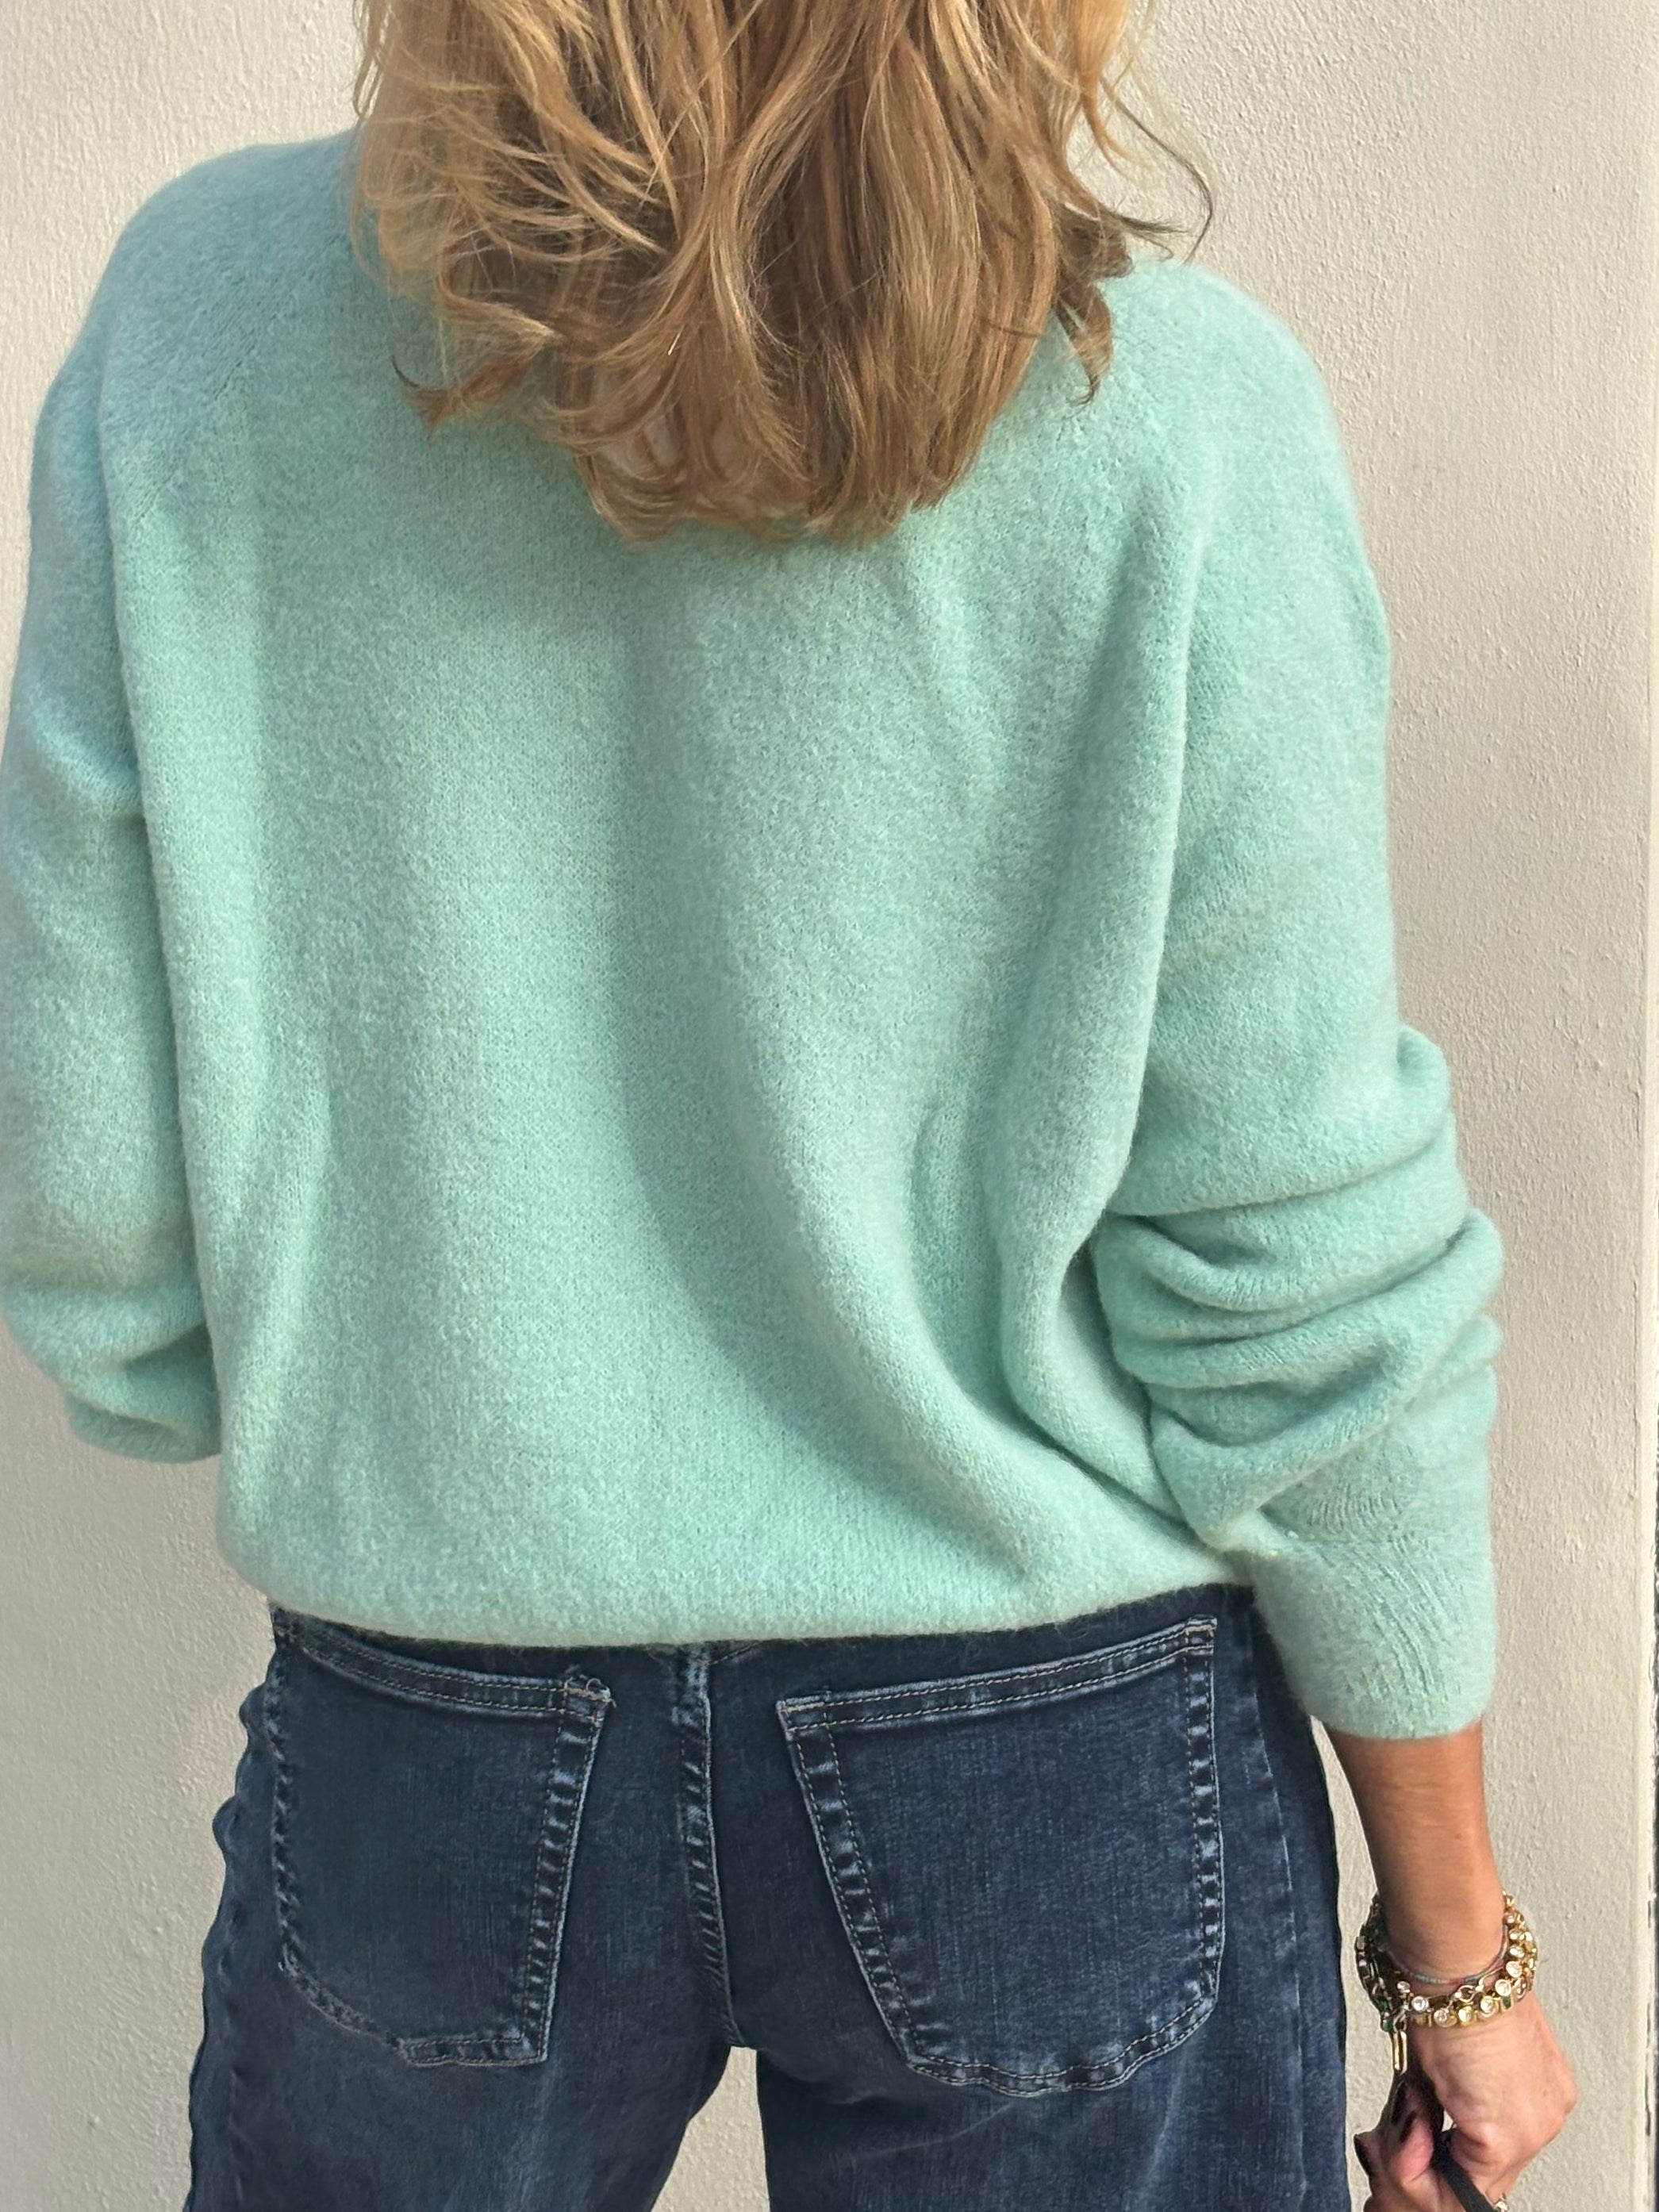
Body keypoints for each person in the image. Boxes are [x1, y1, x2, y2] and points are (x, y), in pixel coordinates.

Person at [0, 3, 1576, 2208]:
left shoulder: (202, 319)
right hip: (1051, 1725)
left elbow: (81, 1155)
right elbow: (1295, 1241)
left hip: (439, 1710)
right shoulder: (1174, 413)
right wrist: (1459, 1952)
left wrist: (313, 1406)